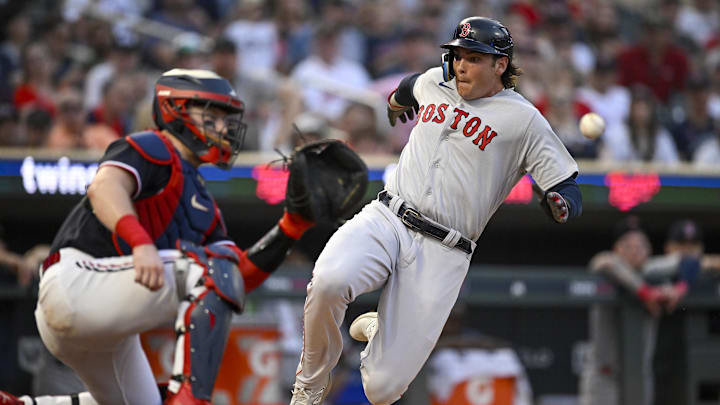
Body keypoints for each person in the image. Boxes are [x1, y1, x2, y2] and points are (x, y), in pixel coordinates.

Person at [289, 17, 582, 405]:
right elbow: (410, 87)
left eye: (475, 58)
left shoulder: (524, 119)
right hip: (389, 216)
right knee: (328, 281)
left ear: (500, 65)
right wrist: (397, 102)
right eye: (457, 55)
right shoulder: (434, 82)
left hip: (443, 250)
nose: (461, 65)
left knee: (382, 390)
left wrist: (561, 204)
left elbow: (567, 187)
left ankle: (382, 329)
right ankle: (309, 387)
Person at [0, 68, 317, 405]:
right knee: (213, 269)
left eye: (228, 117)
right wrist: (140, 242)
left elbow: (235, 277)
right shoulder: (154, 144)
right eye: (213, 113)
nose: (224, 126)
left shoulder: (204, 202)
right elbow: (105, 187)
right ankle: (191, 399)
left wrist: (291, 226)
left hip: (106, 324)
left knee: (145, 402)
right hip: (77, 282)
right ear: (174, 108)